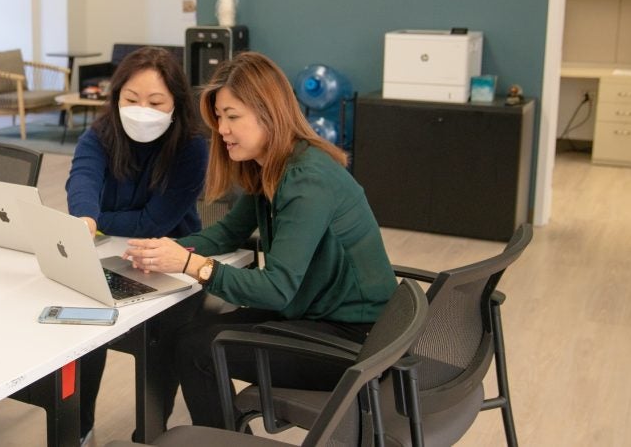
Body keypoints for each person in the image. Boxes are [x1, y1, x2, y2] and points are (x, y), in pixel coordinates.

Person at [125, 51, 397, 429]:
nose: (222, 130)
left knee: (196, 349)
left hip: (355, 342)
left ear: (269, 114)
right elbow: (229, 232)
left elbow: (276, 290)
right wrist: (168, 251)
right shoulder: (274, 164)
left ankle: (224, 441)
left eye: (233, 117)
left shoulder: (306, 180)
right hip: (318, 311)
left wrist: (189, 265)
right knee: (189, 335)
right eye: (219, 117)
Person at [65, 46, 208, 442]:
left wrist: (96, 219)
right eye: (131, 99)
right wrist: (84, 216)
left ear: (175, 105)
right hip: (108, 253)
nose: (141, 109)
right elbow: (82, 180)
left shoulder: (192, 147)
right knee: (82, 318)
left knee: (164, 334)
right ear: (116, 98)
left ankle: (150, 432)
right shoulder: (100, 134)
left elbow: (154, 223)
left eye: (155, 101)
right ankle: (81, 429)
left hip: (171, 261)